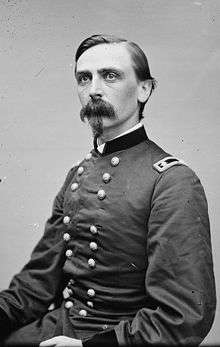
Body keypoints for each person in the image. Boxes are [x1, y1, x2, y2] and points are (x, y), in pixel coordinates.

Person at [0, 34, 216, 347]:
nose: (94, 89)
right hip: (61, 325)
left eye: (110, 76)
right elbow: (35, 285)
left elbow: (184, 316)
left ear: (145, 89)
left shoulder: (172, 181)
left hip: (117, 338)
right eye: (83, 78)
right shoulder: (79, 174)